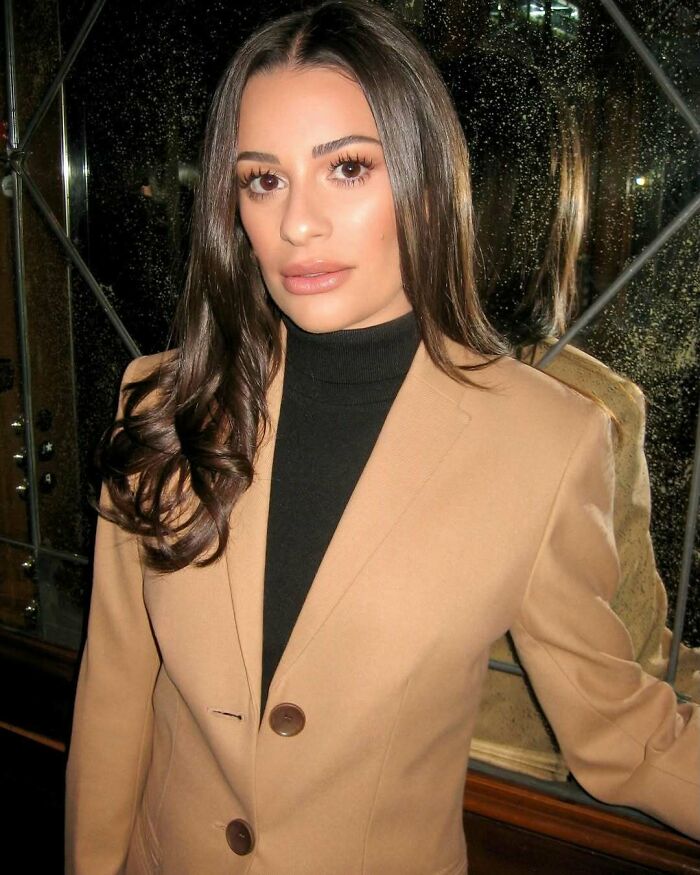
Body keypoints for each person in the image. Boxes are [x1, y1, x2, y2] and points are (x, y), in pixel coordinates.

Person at [65, 2, 700, 873]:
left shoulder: (544, 443)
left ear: (429, 179)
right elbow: (113, 698)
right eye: (262, 179)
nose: (297, 224)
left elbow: (621, 730)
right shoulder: (163, 405)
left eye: (349, 169)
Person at [442, 50, 699, 782]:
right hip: (532, 794)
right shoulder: (590, 407)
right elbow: (640, 665)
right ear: (555, 214)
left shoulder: (319, 381)